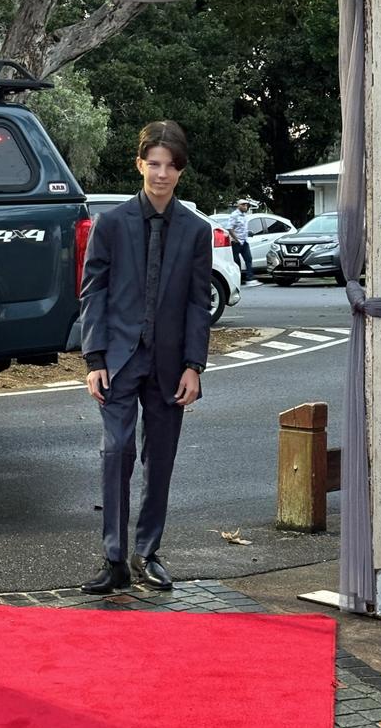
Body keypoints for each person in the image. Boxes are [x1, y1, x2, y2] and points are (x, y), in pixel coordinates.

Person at [79, 120, 212, 594]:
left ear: (180, 171)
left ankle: (146, 553)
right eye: (153, 164)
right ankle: (114, 558)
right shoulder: (111, 224)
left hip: (171, 364)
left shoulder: (197, 231)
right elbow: (93, 291)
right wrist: (94, 357)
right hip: (117, 358)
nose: (161, 174)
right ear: (139, 165)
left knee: (161, 458)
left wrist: (194, 365)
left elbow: (199, 302)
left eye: (170, 166)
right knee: (115, 451)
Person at [227, 198, 255, 283]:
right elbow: (229, 228)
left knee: (248, 259)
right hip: (236, 242)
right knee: (236, 261)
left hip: (244, 241)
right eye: (243, 205)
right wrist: (236, 239)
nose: (245, 206)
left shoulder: (244, 216)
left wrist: (248, 234)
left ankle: (249, 278)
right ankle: (237, 279)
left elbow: (243, 229)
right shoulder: (234, 215)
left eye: (246, 205)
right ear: (239, 206)